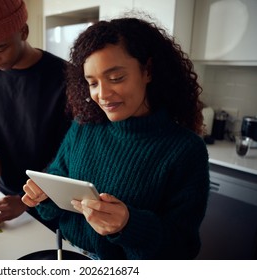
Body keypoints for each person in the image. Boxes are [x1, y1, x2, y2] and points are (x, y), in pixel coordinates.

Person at [22, 16, 210, 259]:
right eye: (92, 83)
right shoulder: (83, 127)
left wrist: (129, 225)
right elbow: (59, 186)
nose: (103, 95)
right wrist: (44, 195)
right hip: (67, 252)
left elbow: (182, 248)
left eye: (116, 78)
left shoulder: (185, 150)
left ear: (148, 70)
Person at [0, 0, 71, 228]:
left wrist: (27, 202)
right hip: (1, 195)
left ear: (23, 31)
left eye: (0, 48)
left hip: (48, 204)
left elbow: (70, 153)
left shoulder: (64, 77)